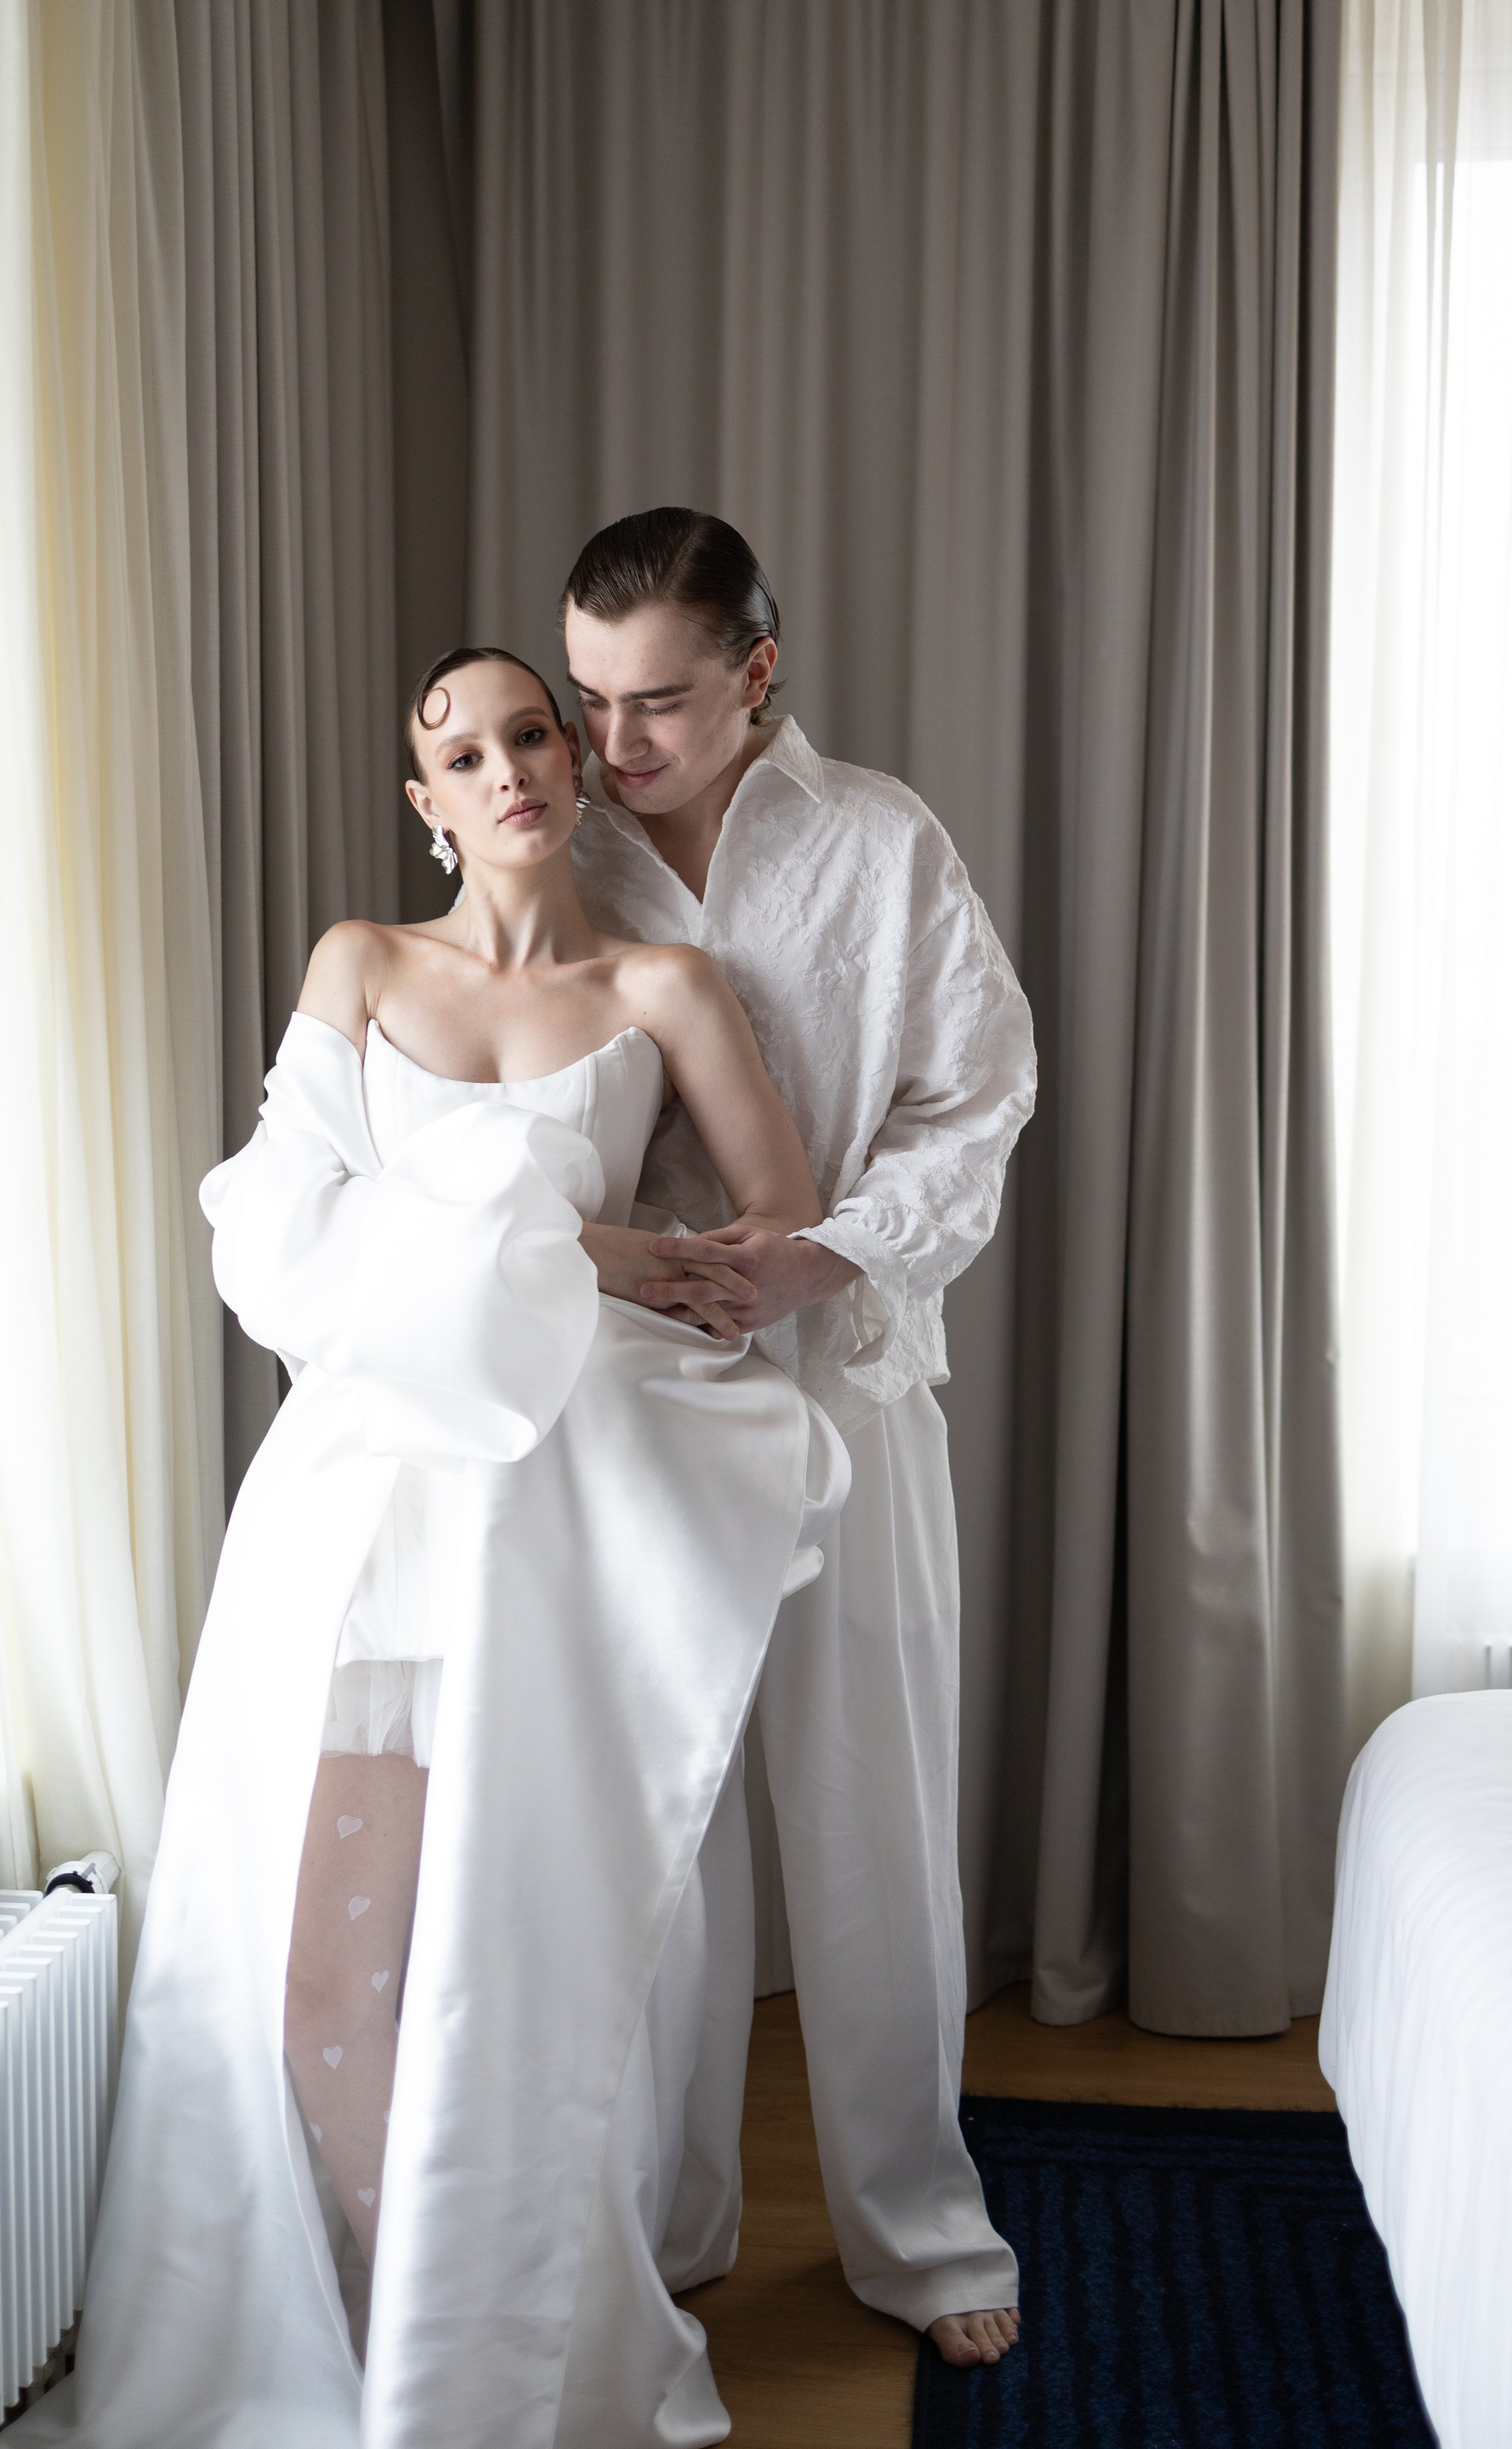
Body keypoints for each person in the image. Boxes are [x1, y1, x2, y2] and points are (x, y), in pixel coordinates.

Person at [20, 647, 849, 2449]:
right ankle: (405, 2345)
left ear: (576, 757)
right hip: (359, 1506)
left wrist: (575, 1261)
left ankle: (482, 2351)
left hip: (557, 1503)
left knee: (506, 1951)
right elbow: (274, 1236)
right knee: (320, 1967)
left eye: (530, 733)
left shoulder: (663, 986)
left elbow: (777, 1232)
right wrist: (580, 1244)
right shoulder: (364, 965)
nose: (507, 770)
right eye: (460, 754)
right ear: (428, 805)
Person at [561, 508, 1036, 2368]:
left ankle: (920, 2230)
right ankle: (667, 2231)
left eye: (659, 701)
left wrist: (823, 1253)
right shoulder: (557, 852)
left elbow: (975, 1102)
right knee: (654, 1837)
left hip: (846, 1378)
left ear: (758, 673)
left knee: (875, 1816)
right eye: (590, 698)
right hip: (626, 1409)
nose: (613, 743)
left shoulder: (884, 844)